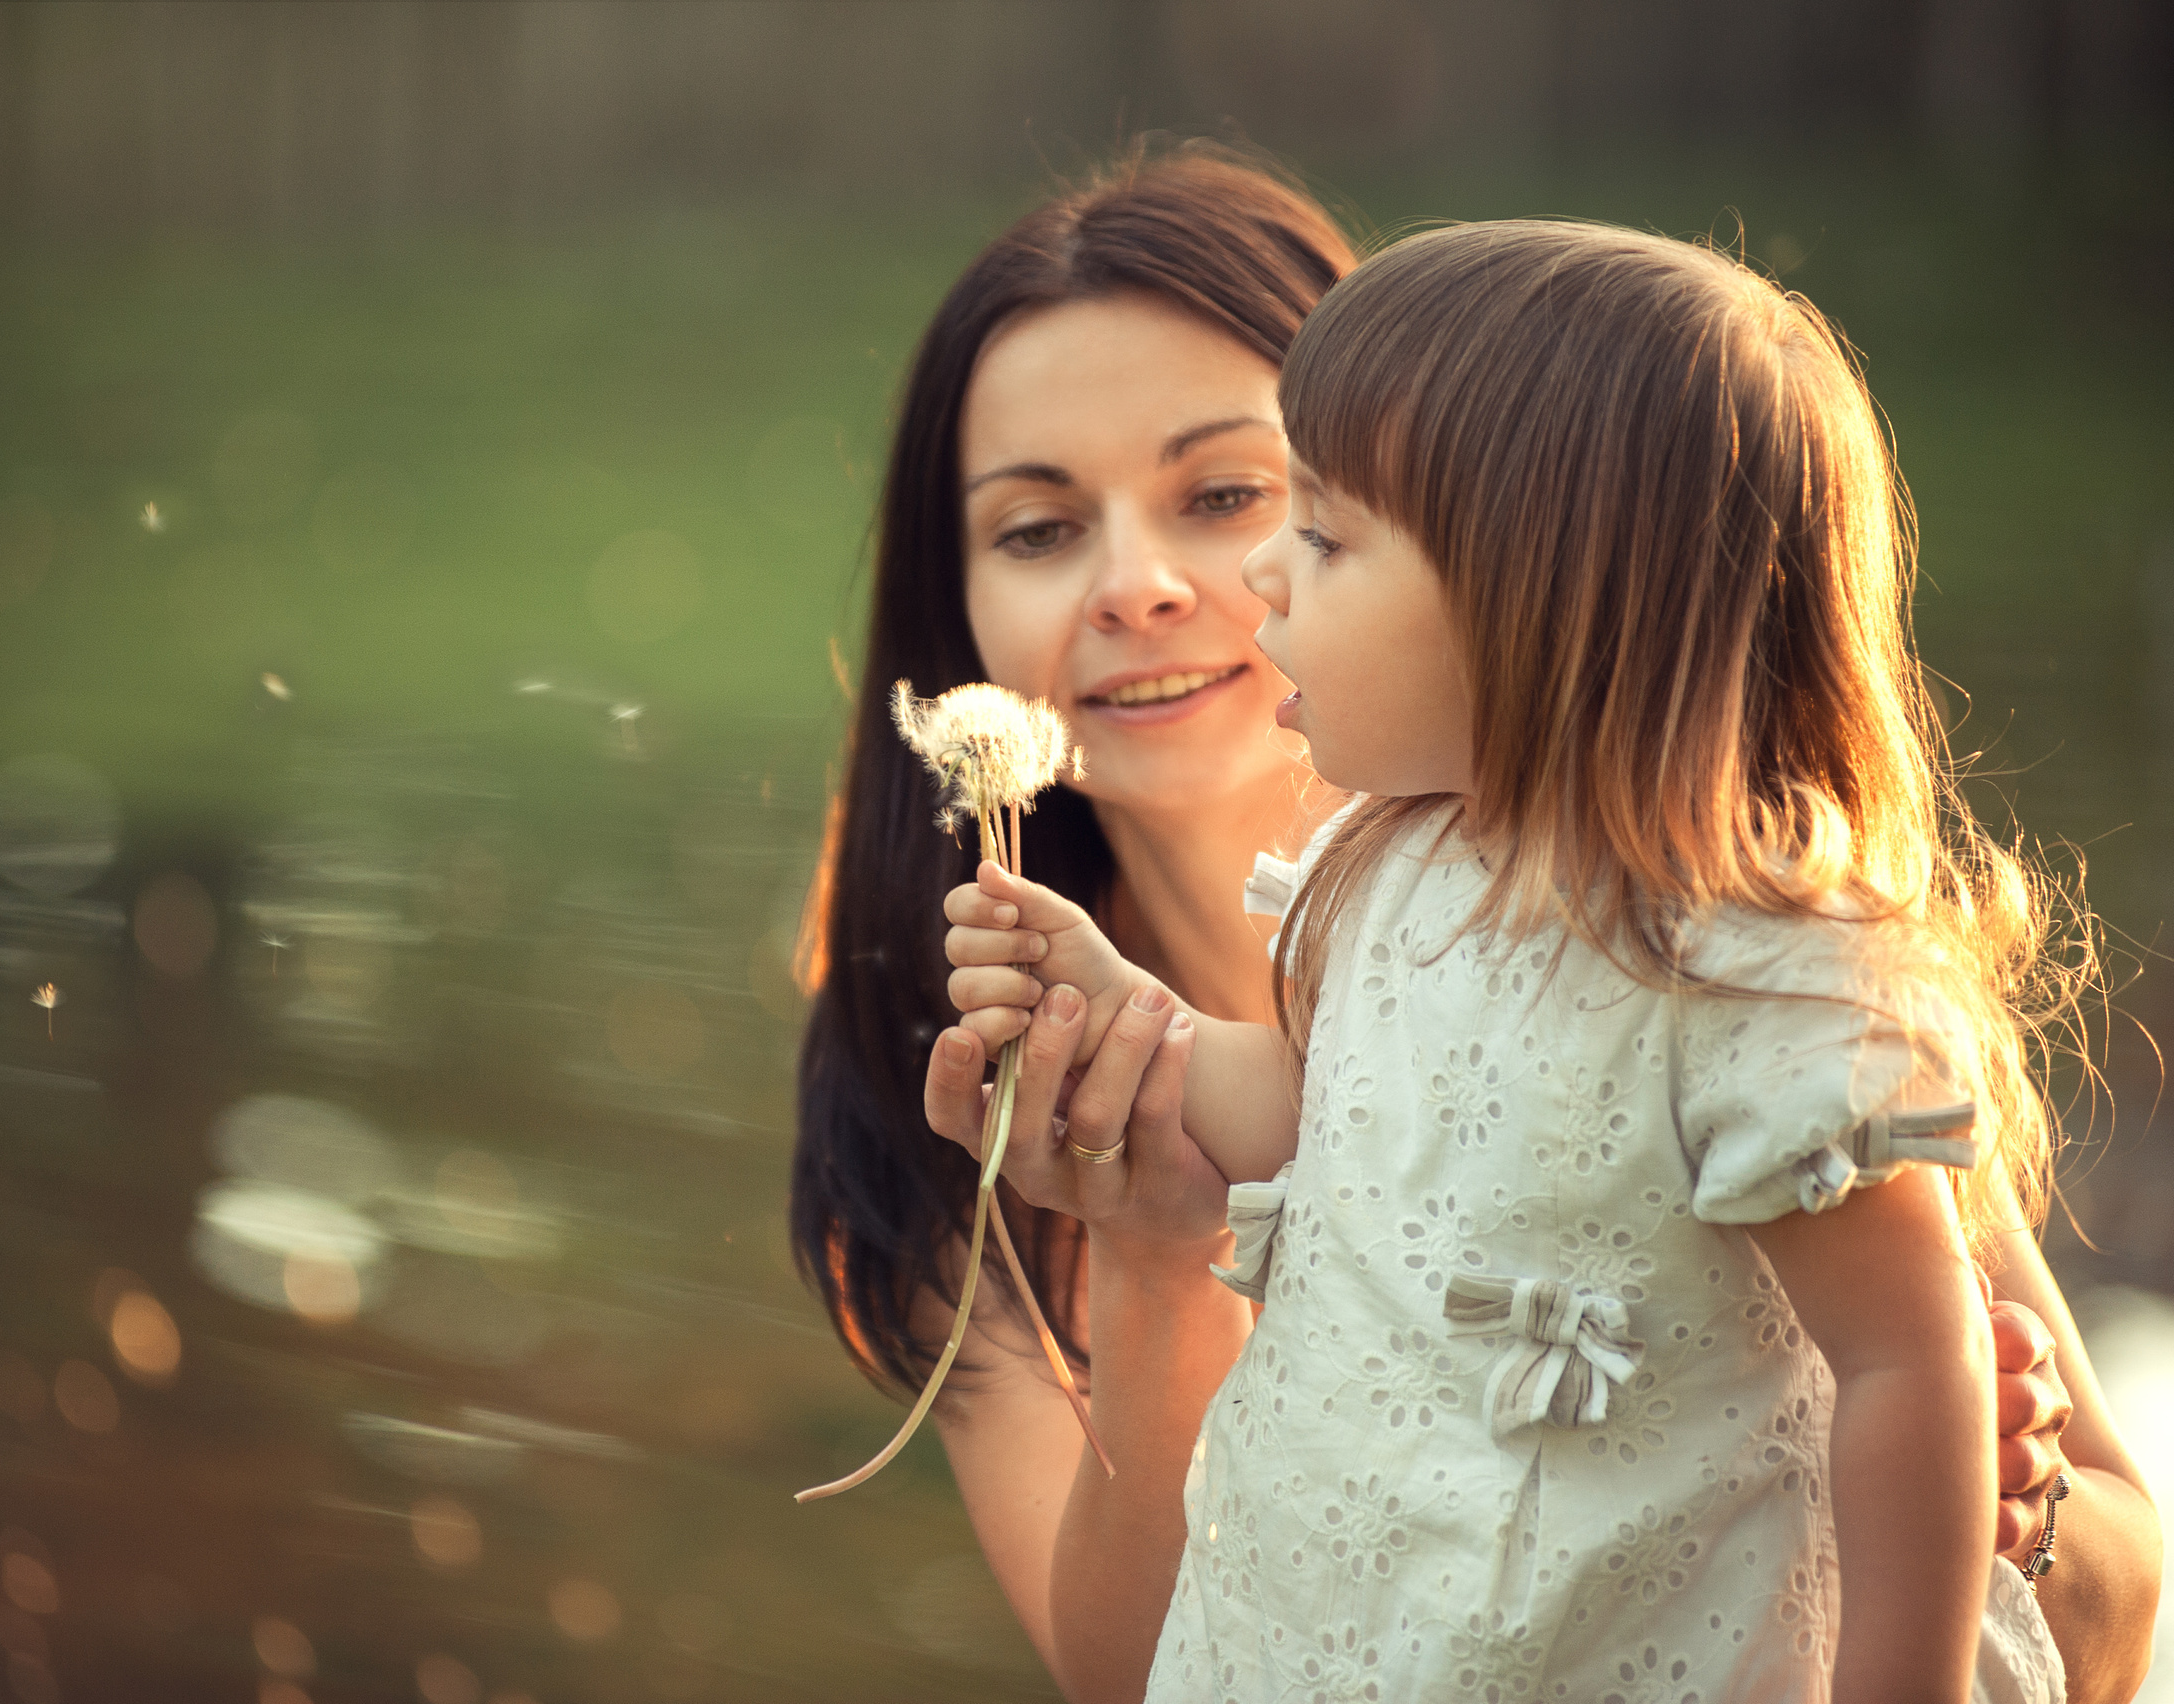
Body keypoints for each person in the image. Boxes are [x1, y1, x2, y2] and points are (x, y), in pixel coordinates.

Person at [787, 147, 2160, 1703]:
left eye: (1246, 497)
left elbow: (2106, 1600)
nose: (1146, 584)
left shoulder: (1758, 967)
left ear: (1535, 562)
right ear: (955, 598)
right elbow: (1125, 1678)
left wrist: (2001, 1499)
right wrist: (1152, 1249)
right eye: (1038, 527)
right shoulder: (997, 1091)